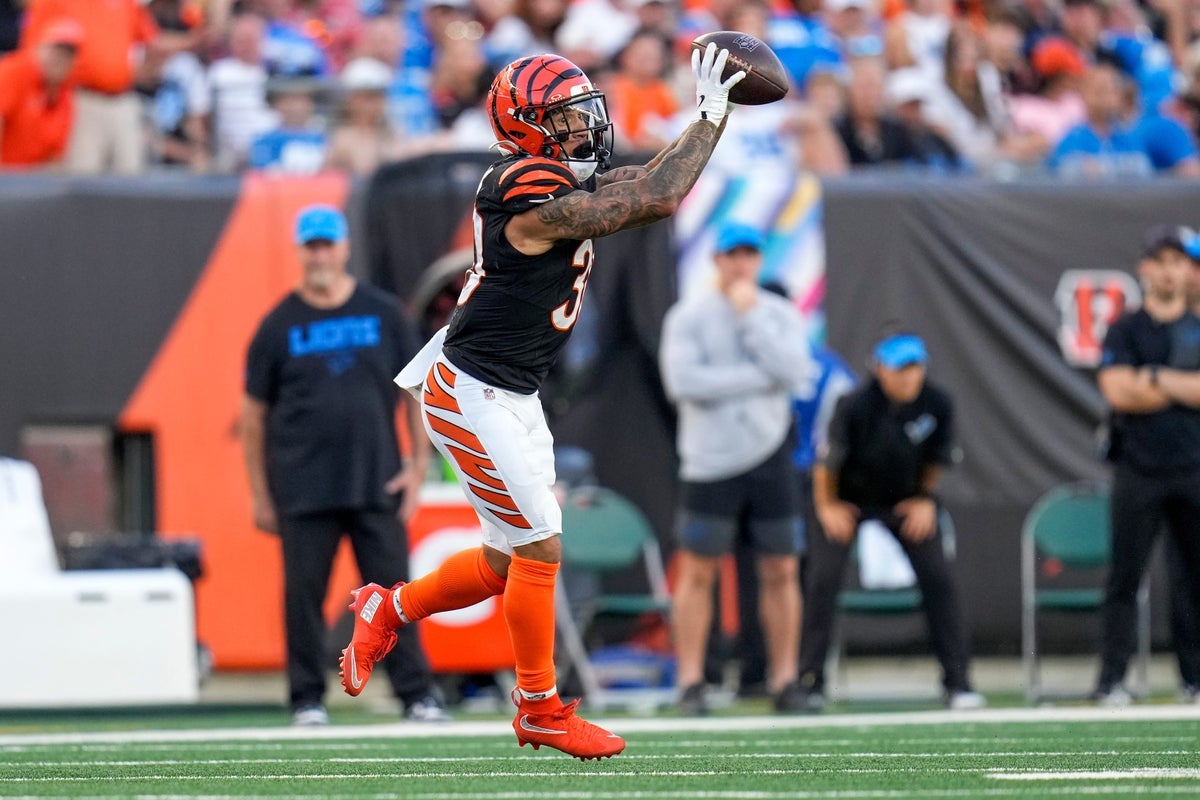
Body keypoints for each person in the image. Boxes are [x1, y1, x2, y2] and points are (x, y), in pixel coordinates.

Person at [338, 44, 748, 760]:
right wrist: (712, 113)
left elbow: (650, 179)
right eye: (563, 117)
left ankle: (390, 606)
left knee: (506, 560)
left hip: (514, 391)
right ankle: (539, 707)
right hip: (468, 390)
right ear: (526, 127)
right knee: (540, 548)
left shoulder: (553, 175)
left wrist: (699, 121)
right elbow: (656, 198)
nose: (582, 128)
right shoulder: (519, 186)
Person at [239, 204, 449, 727]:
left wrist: (418, 467)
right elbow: (252, 418)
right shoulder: (278, 325)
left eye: (327, 244)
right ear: (299, 252)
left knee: (395, 598)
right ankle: (307, 699)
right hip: (303, 487)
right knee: (303, 600)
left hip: (376, 478)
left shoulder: (382, 313)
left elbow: (415, 392)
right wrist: (261, 495)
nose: (319, 255)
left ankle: (416, 695)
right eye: (310, 246)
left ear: (344, 247)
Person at [659, 226, 812, 716]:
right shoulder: (688, 316)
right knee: (699, 570)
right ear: (717, 260)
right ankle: (691, 682)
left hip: (769, 454)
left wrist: (751, 320)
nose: (742, 264)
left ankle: (785, 680)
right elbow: (683, 382)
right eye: (733, 254)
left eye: (750, 254)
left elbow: (796, 374)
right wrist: (759, 379)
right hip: (710, 460)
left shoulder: (777, 314)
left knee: (782, 569)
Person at [799, 331, 985, 710]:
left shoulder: (937, 403)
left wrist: (923, 499)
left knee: (939, 576)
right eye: (900, 368)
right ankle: (810, 681)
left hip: (903, 500)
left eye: (915, 367)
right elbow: (826, 462)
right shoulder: (853, 405)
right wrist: (827, 506)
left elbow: (937, 460)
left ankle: (958, 681)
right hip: (847, 501)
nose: (908, 377)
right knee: (822, 579)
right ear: (879, 369)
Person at [1093, 224, 1200, 706]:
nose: (1171, 271)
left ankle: (1193, 679)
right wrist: (1179, 386)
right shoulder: (1125, 328)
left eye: (1180, 262)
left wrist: (1152, 378)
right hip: (1138, 469)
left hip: (1193, 468)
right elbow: (1117, 391)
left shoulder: (1197, 327)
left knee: (1193, 579)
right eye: (1162, 261)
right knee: (1124, 577)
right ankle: (1112, 679)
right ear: (1145, 268)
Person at [0, 18, 80, 169]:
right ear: (40, 47)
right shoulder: (15, 71)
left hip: (30, 182)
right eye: (56, 50)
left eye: (68, 54)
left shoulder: (65, 96)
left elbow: (54, 157)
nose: (60, 58)